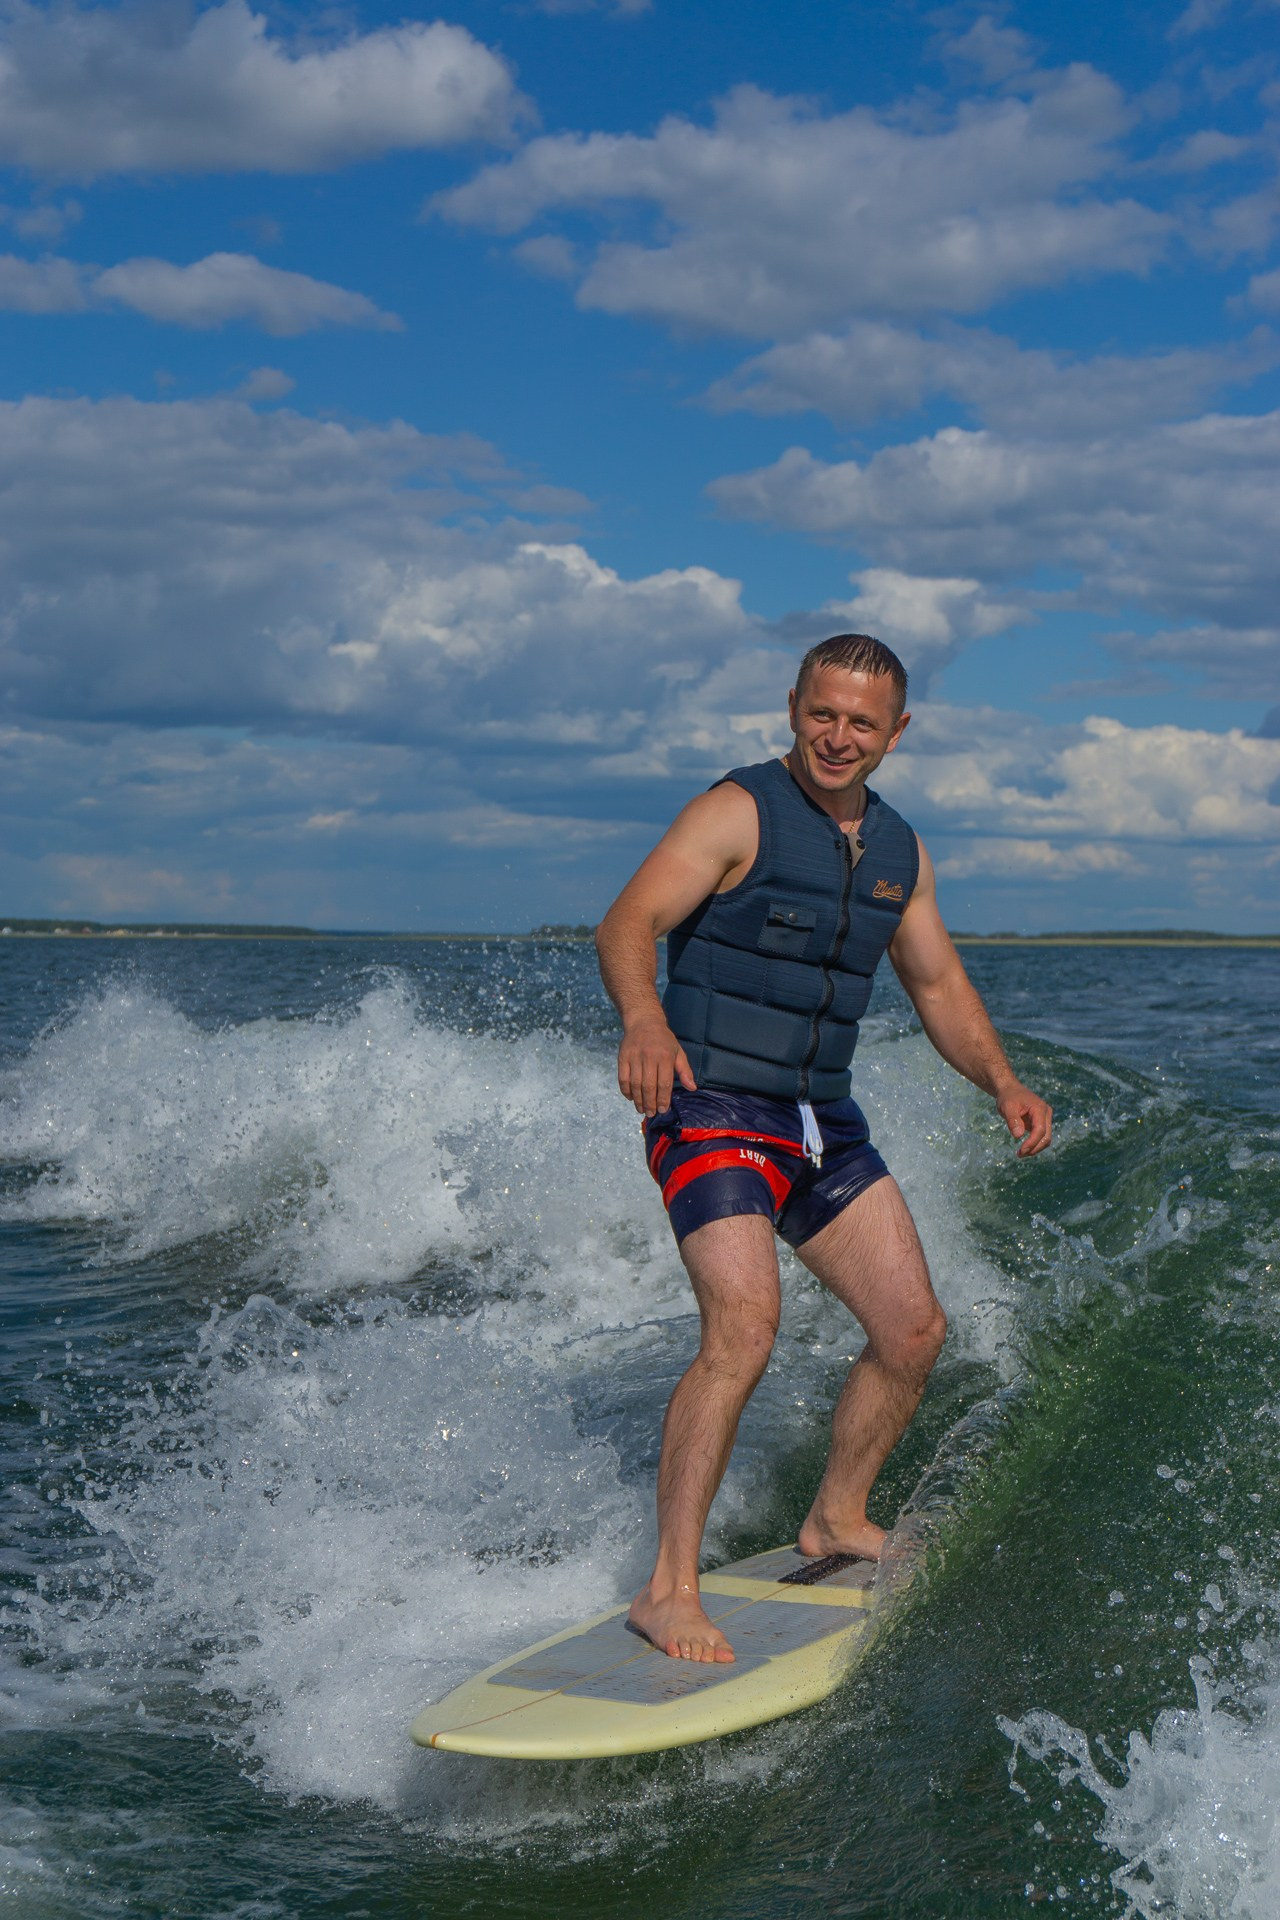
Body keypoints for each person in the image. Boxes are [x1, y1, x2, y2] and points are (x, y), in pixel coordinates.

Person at [594, 633, 1052, 1664]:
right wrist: (642, 1020)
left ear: (896, 732)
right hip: (709, 1105)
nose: (836, 736)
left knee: (912, 1331)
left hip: (818, 1122)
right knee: (743, 1328)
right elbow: (626, 922)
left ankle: (835, 1520)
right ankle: (667, 1589)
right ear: (791, 706)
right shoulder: (736, 812)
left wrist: (1001, 1080)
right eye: (820, 712)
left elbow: (934, 987)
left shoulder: (899, 851)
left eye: (859, 721)